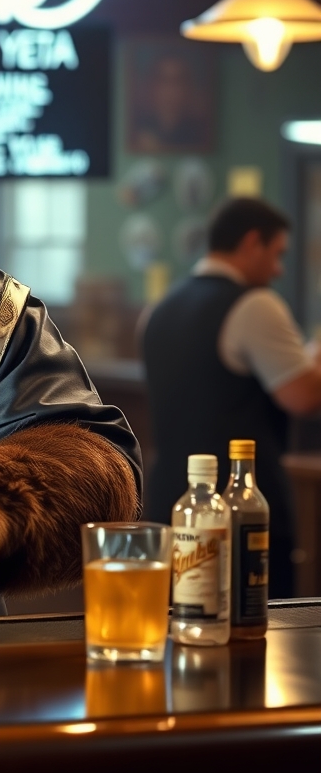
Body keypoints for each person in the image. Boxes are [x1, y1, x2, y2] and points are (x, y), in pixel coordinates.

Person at [142, 197, 318, 597]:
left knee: (179, 630)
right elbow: (304, 397)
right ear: (252, 242)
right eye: (277, 255)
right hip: (238, 510)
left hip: (170, 499)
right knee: (254, 635)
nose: (278, 269)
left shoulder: (159, 307)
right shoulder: (255, 304)